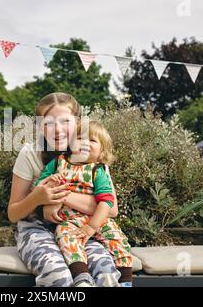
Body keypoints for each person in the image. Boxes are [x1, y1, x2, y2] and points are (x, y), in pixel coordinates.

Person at [8, 92, 121, 287]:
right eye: (48, 123)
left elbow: (111, 210)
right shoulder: (30, 154)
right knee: (58, 276)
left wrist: (60, 197)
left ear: (77, 122)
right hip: (37, 230)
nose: (57, 130)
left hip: (80, 227)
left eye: (65, 121)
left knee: (105, 273)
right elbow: (13, 213)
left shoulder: (92, 154)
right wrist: (36, 198)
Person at [34, 120, 133, 287]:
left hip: (96, 219)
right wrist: (50, 181)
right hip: (69, 220)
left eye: (92, 141)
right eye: (80, 138)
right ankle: (81, 275)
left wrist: (92, 227)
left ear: (102, 151)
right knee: (65, 236)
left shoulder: (97, 170)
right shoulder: (58, 163)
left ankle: (125, 279)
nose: (85, 143)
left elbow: (106, 202)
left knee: (117, 237)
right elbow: (39, 188)